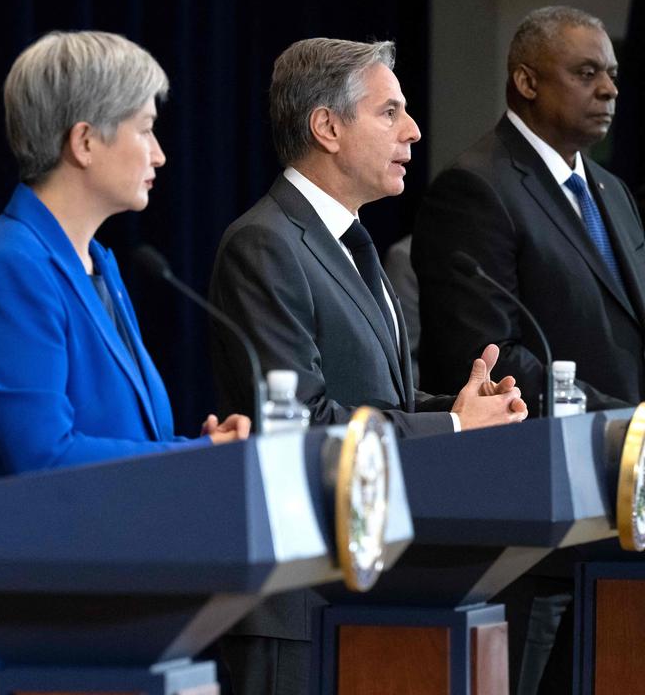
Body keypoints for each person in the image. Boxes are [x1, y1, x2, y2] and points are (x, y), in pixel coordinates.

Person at [0, 30, 251, 695]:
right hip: (17, 628)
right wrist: (196, 466)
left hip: (96, 613)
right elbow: (44, 460)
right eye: (145, 129)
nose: (160, 153)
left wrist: (197, 448)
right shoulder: (9, 267)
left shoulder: (104, 265)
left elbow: (128, 436)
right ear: (85, 141)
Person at [208, 37, 528, 695]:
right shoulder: (265, 245)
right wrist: (454, 431)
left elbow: (374, 403)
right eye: (389, 112)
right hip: (297, 602)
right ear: (327, 127)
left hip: (367, 590)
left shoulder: (355, 243)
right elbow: (301, 427)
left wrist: (463, 409)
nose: (412, 130)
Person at [411, 6, 645, 695]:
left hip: (620, 515)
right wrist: (627, 424)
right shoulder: (476, 187)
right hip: (535, 532)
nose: (609, 89)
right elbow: (486, 355)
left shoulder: (611, 191)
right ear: (526, 80)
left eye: (612, 75)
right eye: (586, 73)